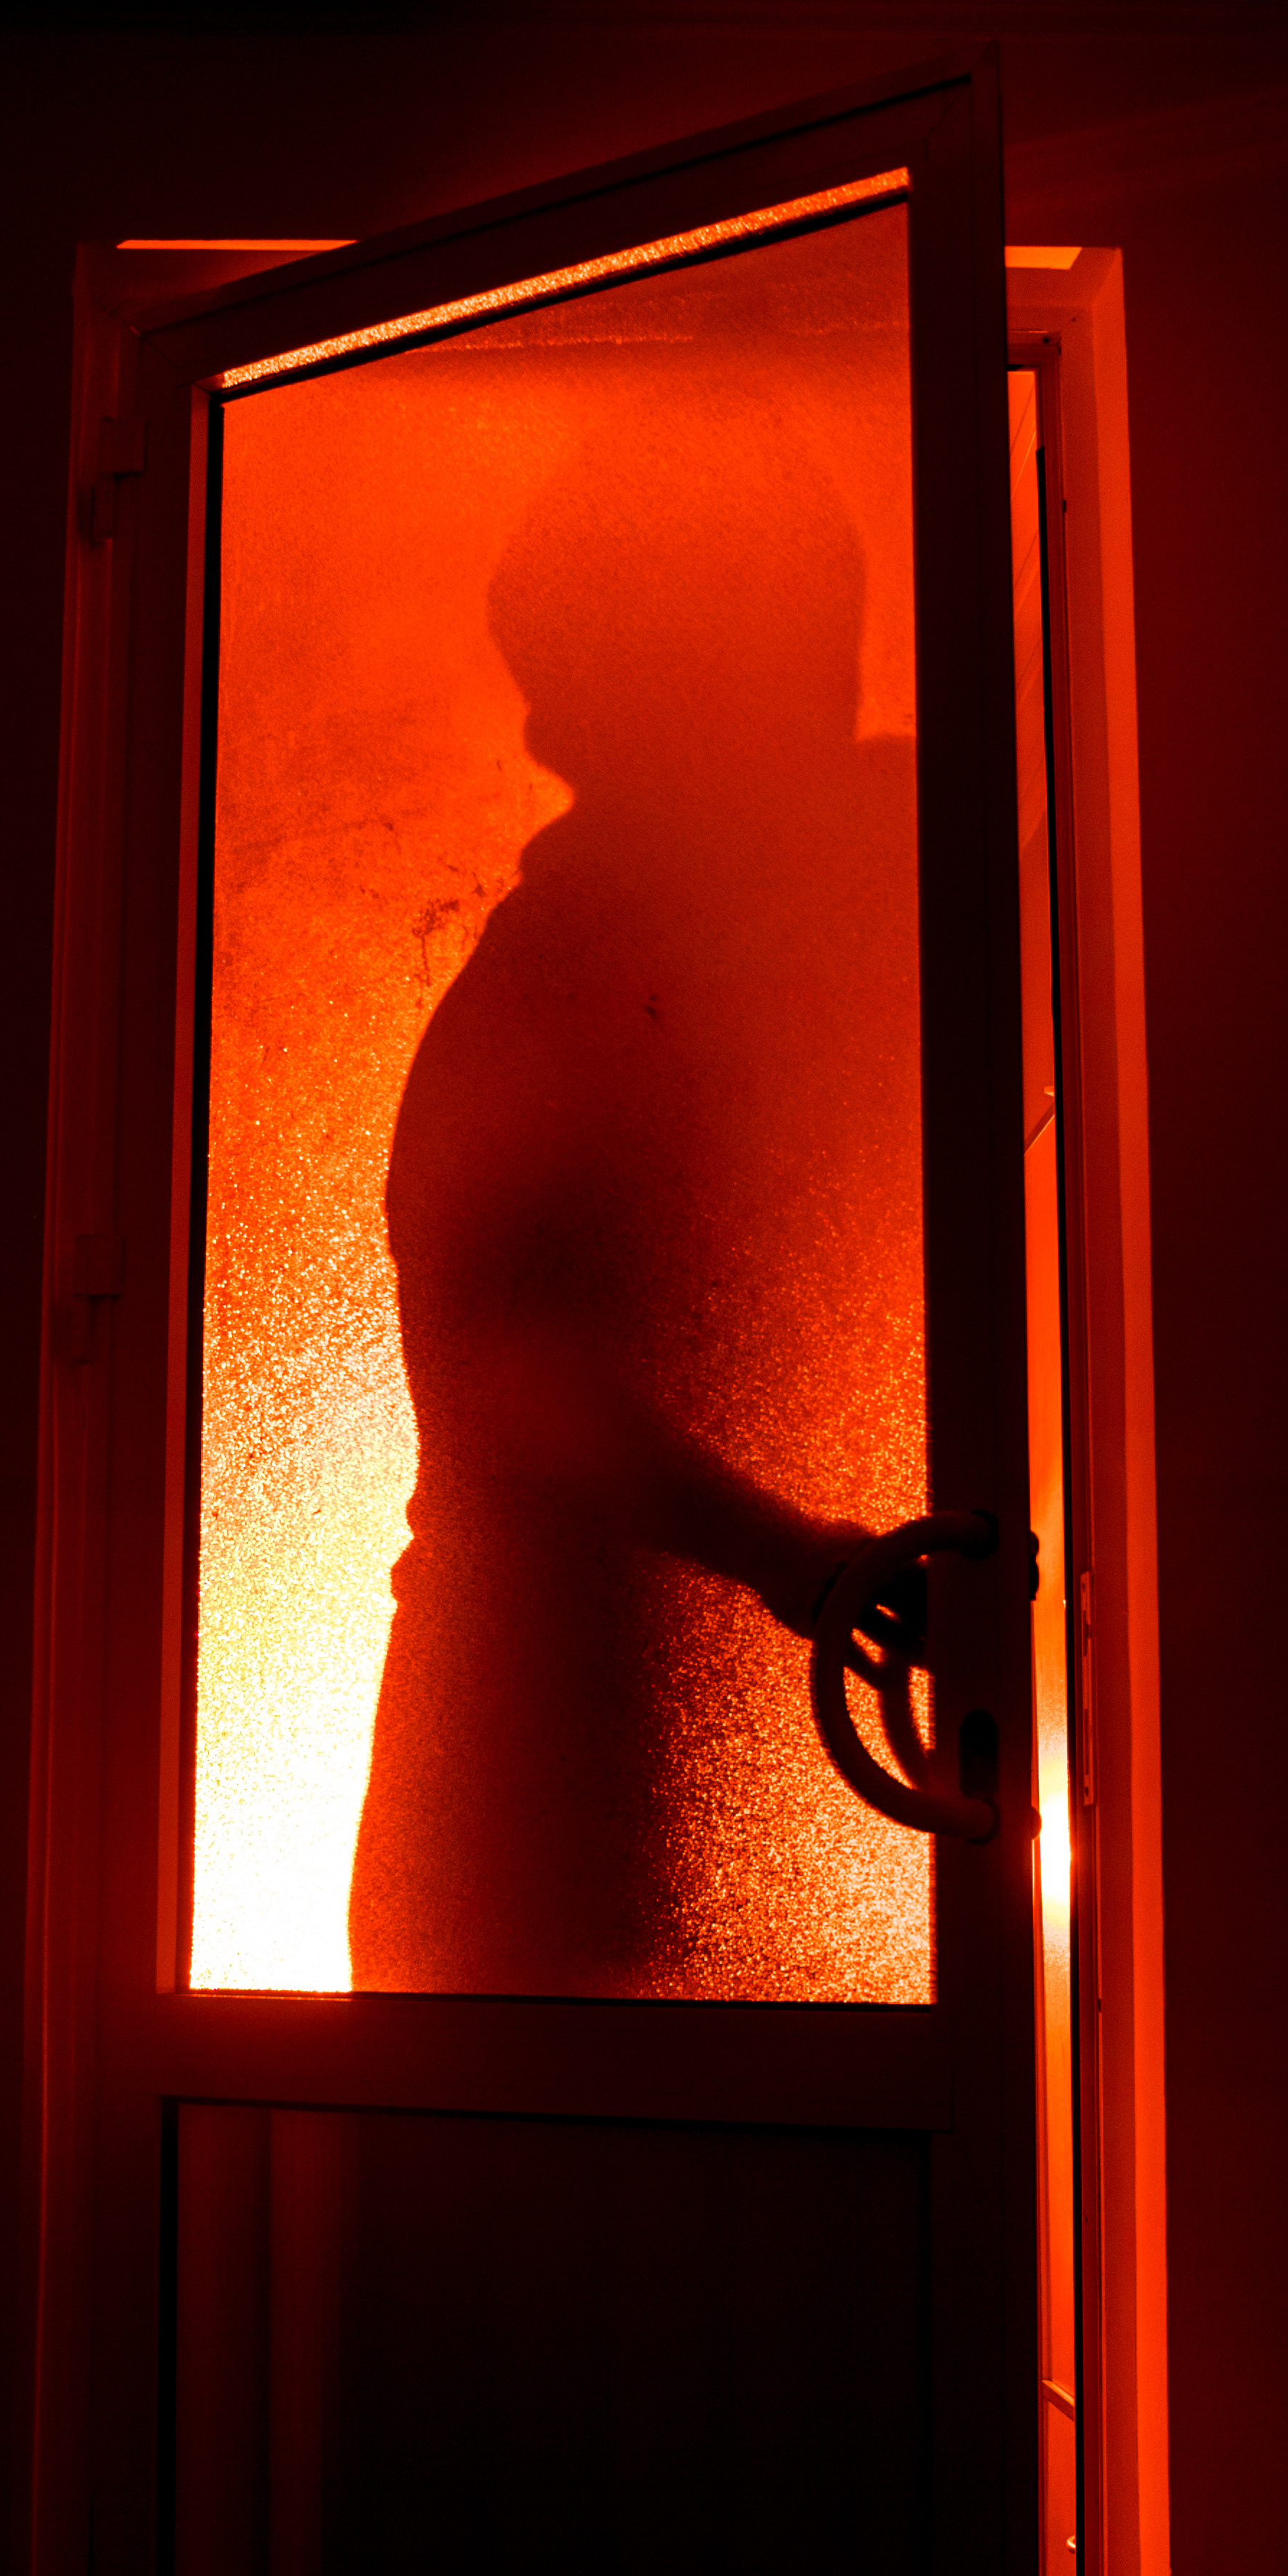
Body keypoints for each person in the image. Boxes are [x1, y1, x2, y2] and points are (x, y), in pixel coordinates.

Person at [347, 384, 923, 2000]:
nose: (832, 675)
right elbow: (512, 1365)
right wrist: (803, 1562)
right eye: (786, 633)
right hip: (551, 1786)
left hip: (679, 1783)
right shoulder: (575, 966)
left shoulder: (813, 905)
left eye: (832, 624)